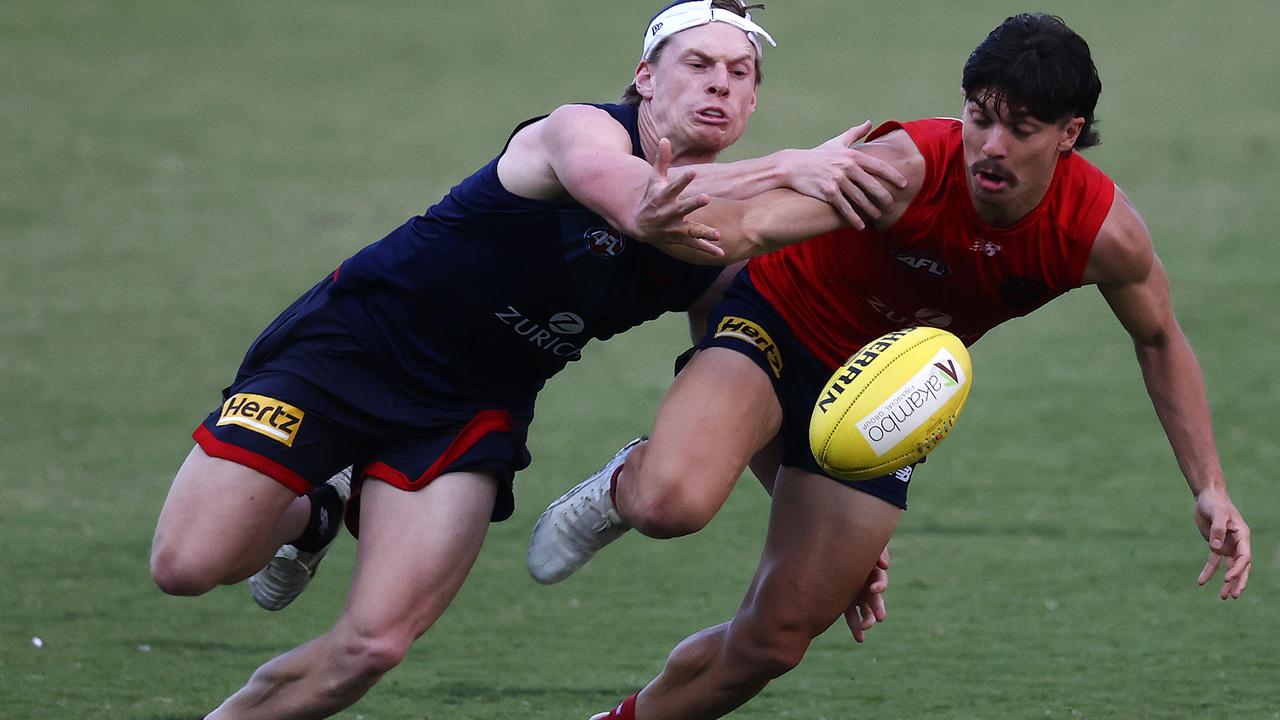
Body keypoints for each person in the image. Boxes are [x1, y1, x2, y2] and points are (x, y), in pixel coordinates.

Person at [146, 1, 907, 717]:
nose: (719, 82)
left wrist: (827, 540)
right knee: (185, 567)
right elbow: (639, 201)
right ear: (646, 76)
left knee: (373, 645)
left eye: (740, 75)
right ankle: (312, 512)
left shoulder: (722, 255)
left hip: (470, 408)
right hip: (349, 353)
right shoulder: (577, 133)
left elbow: (739, 392)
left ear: (750, 105)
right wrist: (784, 168)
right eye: (698, 63)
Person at [526, 14, 1253, 720]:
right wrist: (643, 209)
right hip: (777, 324)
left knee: (776, 641)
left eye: (1022, 128)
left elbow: (1159, 338)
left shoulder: (1101, 233)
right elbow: (746, 230)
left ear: (1069, 135)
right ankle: (629, 481)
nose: (990, 146)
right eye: (978, 116)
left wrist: (1210, 488)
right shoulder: (906, 166)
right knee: (670, 504)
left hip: (884, 400)